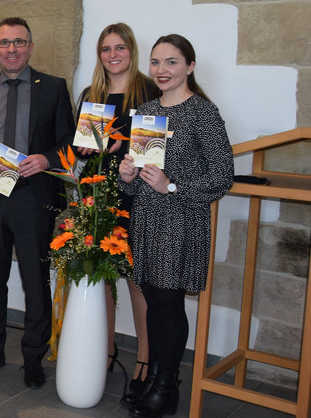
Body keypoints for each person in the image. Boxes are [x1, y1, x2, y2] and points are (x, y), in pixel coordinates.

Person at [118, 34, 233, 417]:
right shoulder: (147, 111)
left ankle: (167, 386)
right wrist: (127, 175)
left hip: (180, 219)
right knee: (152, 299)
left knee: (167, 303)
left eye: (170, 62)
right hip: (147, 218)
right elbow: (131, 183)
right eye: (155, 62)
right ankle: (155, 379)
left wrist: (172, 185)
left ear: (189, 66)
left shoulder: (203, 113)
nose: (161, 70)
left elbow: (223, 176)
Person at [0, 17, 75, 389]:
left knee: (35, 282)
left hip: (33, 197)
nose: (11, 49)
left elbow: (69, 143)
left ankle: (33, 357)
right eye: (4, 43)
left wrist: (47, 159)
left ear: (30, 47)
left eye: (19, 42)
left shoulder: (55, 88)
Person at [75, 23, 159, 398]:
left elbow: (153, 152)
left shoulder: (151, 92)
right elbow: (80, 149)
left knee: (137, 281)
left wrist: (121, 151)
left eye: (119, 48)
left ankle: (144, 360)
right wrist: (89, 149)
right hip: (100, 195)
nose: (112, 55)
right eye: (106, 49)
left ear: (131, 50)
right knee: (104, 277)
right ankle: (105, 351)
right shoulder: (91, 94)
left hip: (140, 196)